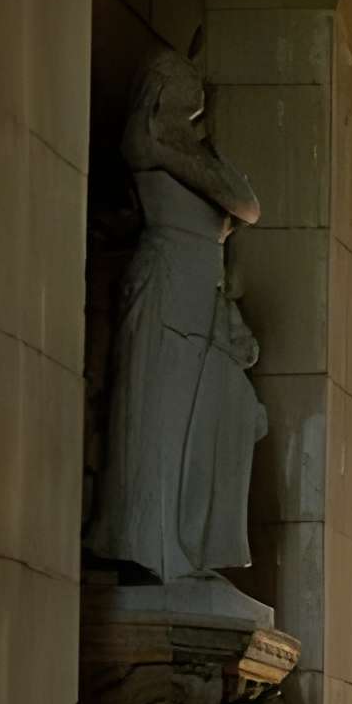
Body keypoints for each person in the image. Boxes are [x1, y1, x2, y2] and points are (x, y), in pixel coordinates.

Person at [88, 47, 265, 587]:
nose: (201, 90)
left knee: (200, 415)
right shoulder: (148, 139)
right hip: (166, 282)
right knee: (158, 413)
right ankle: (151, 546)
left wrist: (190, 152)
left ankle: (185, 548)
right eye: (191, 80)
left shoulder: (188, 149)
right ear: (165, 84)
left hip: (198, 290)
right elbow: (236, 202)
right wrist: (184, 154)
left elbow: (246, 202)